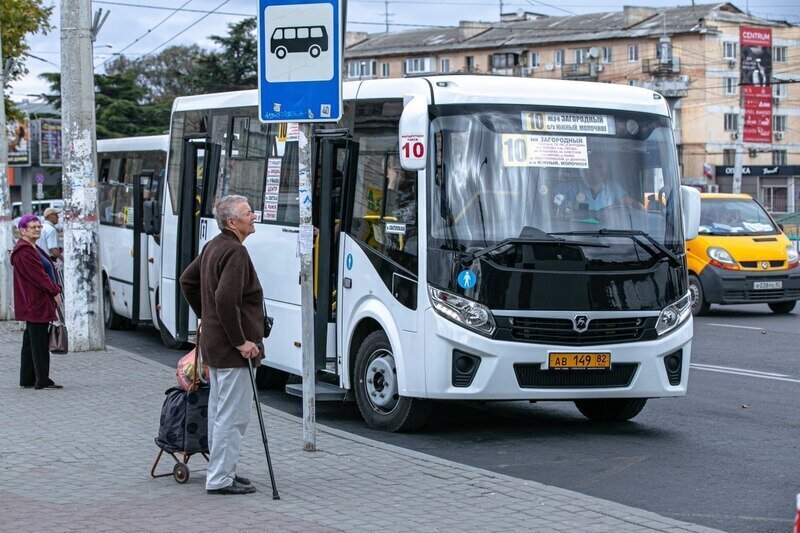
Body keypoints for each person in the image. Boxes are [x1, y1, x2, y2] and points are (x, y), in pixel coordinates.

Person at [179, 195, 264, 495]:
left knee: (219, 410)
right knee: (233, 415)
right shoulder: (235, 252)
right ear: (232, 222)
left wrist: (206, 315)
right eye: (248, 213)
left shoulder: (213, 245)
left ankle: (222, 471)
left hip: (215, 345)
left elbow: (186, 281)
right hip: (232, 349)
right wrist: (241, 341)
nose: (254, 216)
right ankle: (220, 478)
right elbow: (226, 299)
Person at [11, 214, 63, 390]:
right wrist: (55, 292)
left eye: (39, 226)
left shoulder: (33, 247)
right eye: (32, 227)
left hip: (35, 299)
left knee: (30, 339)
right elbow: (39, 276)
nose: (37, 229)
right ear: (22, 230)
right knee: (39, 340)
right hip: (35, 301)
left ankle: (27, 378)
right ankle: (42, 379)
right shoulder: (24, 251)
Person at [567, 152, 643, 211]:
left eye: (605, 167)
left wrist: (640, 207)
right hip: (581, 230)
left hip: (606, 230)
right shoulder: (574, 188)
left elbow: (631, 203)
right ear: (588, 169)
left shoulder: (613, 187)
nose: (603, 171)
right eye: (599, 167)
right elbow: (567, 212)